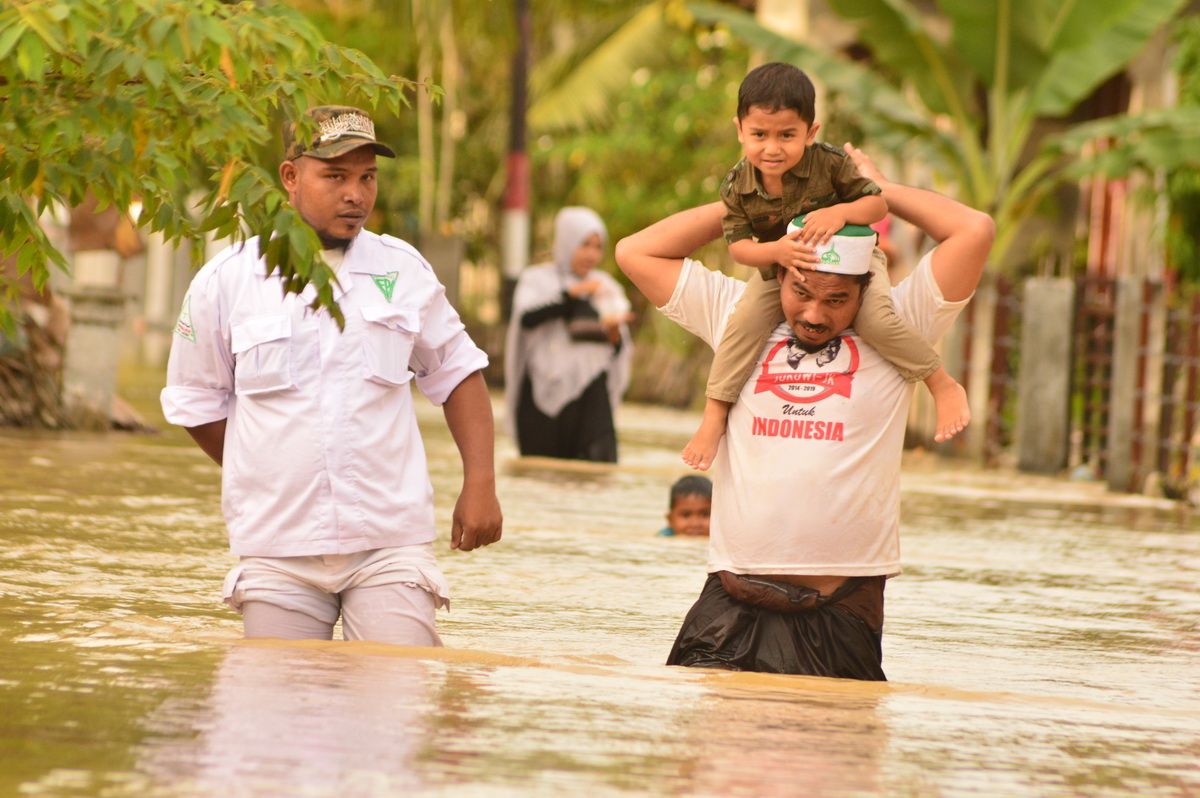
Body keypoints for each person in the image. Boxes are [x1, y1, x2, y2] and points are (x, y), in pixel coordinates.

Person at [615, 144, 994, 679]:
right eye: (801, 292)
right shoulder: (737, 317)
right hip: (729, 604)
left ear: (866, 290)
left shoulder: (902, 325)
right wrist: (760, 198)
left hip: (838, 610)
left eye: (837, 300)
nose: (814, 314)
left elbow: (974, 231)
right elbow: (635, 252)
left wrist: (875, 193)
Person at [160, 106, 502, 644]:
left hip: (389, 543)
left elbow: (458, 373)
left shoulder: (401, 269)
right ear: (290, 177)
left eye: (367, 177)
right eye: (336, 176)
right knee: (279, 717)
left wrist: (480, 484)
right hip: (278, 548)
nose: (356, 195)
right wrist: (266, 463)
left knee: (396, 702)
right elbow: (195, 401)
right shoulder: (228, 280)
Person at [682, 62, 970, 471]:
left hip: (851, 261)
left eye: (787, 135)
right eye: (759, 135)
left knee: (878, 321)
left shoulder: (830, 163)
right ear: (740, 130)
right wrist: (777, 253)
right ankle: (713, 418)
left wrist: (840, 214)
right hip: (786, 263)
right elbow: (741, 249)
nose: (772, 148)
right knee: (742, 325)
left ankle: (941, 384)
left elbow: (877, 203)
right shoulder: (736, 185)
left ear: (810, 133)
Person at [504, 207, 633, 462]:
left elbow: (618, 351)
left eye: (597, 247)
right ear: (566, 242)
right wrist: (570, 297)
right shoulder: (536, 280)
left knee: (598, 475)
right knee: (540, 475)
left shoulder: (606, 287)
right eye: (584, 244)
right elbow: (526, 319)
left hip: (590, 398)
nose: (591, 254)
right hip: (541, 399)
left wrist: (614, 336)